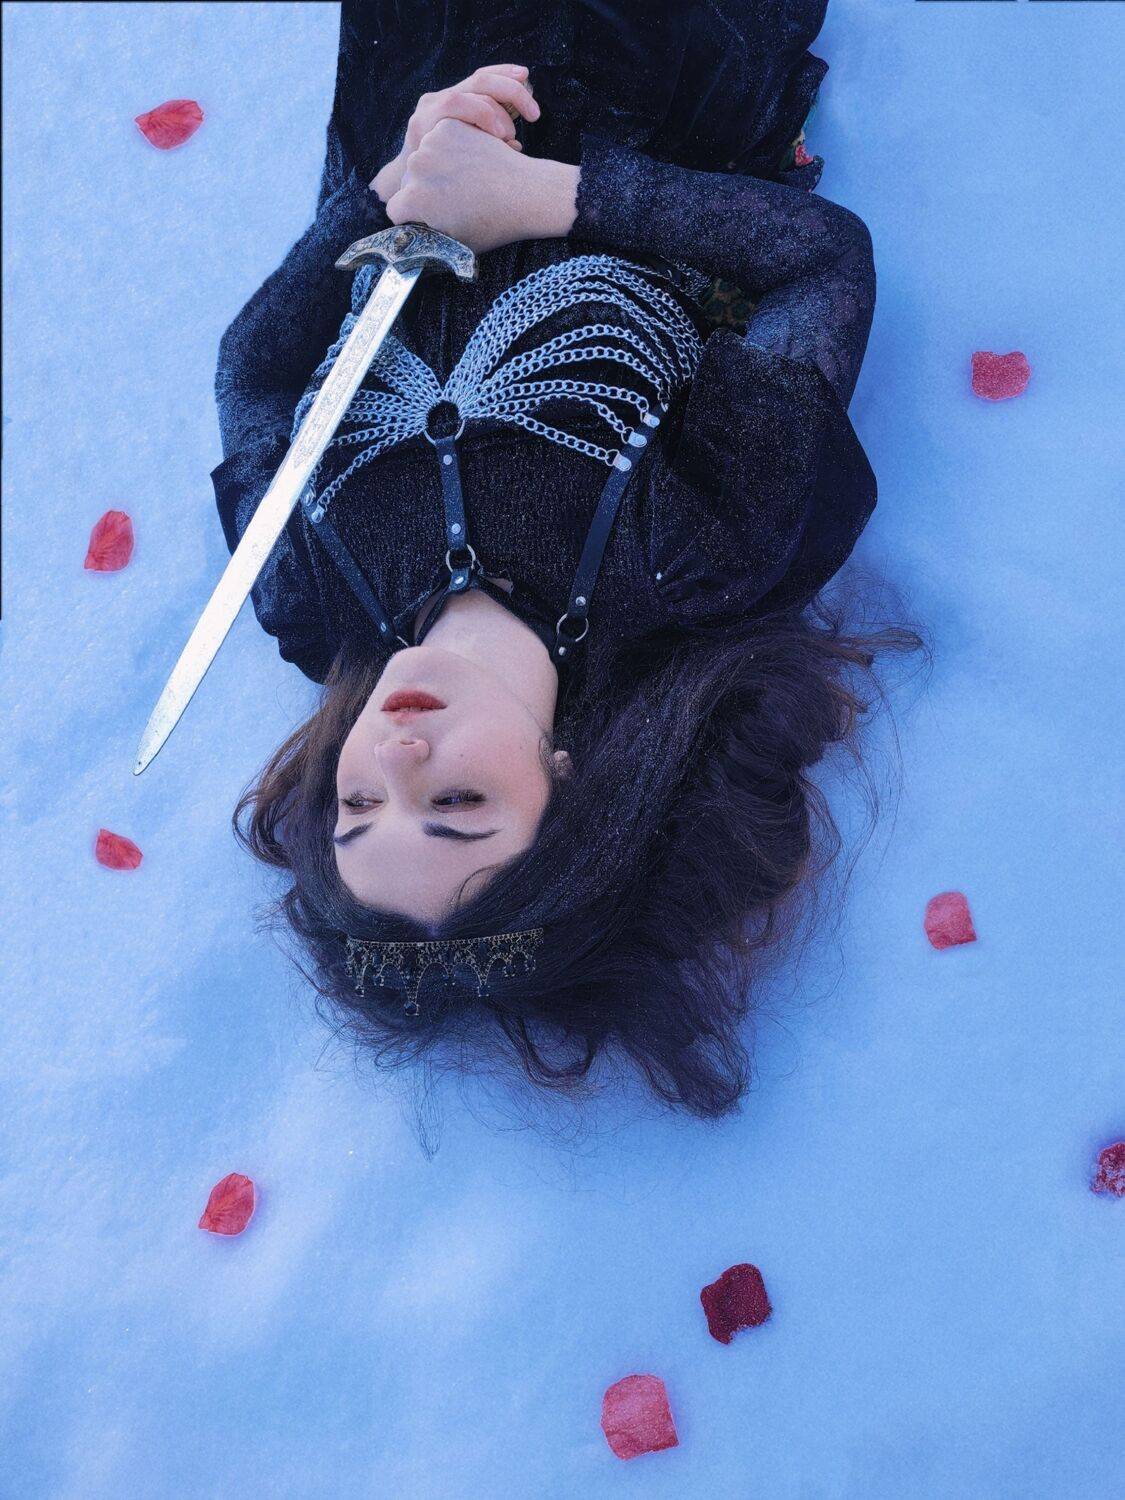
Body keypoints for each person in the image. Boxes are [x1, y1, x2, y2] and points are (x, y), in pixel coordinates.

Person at [215, 1, 927, 1118]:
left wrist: (391, 185)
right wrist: (554, 197)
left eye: (358, 802)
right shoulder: (697, 554)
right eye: (454, 799)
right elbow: (819, 265)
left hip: (422, 76)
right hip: (662, 66)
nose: (398, 750)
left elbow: (252, 373)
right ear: (566, 785)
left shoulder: (311, 593)